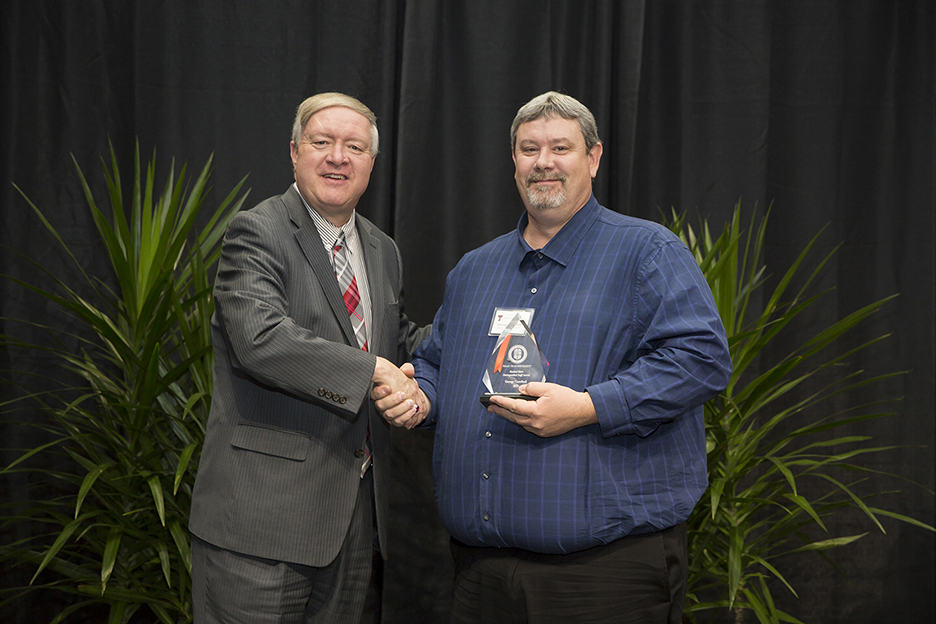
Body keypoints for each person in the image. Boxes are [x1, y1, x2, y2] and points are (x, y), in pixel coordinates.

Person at [374, 91, 732, 623]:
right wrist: (418, 395)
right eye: (529, 149)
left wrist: (589, 407)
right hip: (481, 574)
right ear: (513, 162)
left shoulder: (646, 252)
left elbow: (702, 358)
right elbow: (437, 363)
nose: (543, 162)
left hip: (605, 577)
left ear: (593, 158)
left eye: (560, 147)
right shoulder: (476, 269)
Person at [189, 92, 428, 623]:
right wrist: (373, 372)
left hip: (352, 532)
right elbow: (261, 340)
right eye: (322, 142)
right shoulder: (257, 231)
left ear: (371, 163)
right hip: (260, 531)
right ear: (294, 152)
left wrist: (489, 337)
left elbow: (396, 340)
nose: (338, 157)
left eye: (354, 147)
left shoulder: (382, 249)